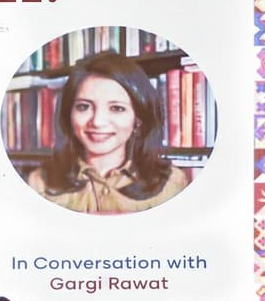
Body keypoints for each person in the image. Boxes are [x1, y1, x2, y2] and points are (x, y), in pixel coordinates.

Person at [26, 52, 190, 214]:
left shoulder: (172, 184)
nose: (97, 121)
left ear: (138, 119)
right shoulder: (39, 183)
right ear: (68, 114)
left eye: (117, 108)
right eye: (84, 106)